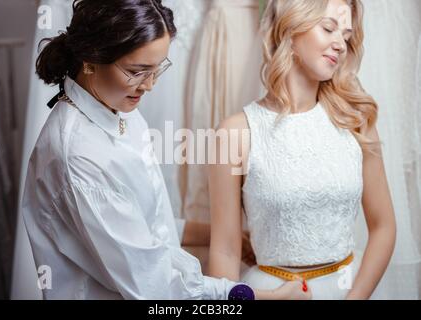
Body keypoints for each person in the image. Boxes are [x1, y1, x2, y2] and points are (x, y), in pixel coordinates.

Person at [22, 0, 310, 300]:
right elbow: (157, 287)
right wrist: (261, 297)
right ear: (91, 59)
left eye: (157, 70)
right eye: (137, 71)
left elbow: (140, 223)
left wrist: (212, 232)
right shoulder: (80, 155)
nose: (148, 86)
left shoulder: (118, 105)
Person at [208, 0, 396, 300]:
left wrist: (356, 298)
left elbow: (384, 226)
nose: (340, 44)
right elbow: (225, 250)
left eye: (346, 36)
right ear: (290, 29)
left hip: (351, 287)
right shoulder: (236, 132)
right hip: (273, 291)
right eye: (329, 29)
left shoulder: (356, 121)